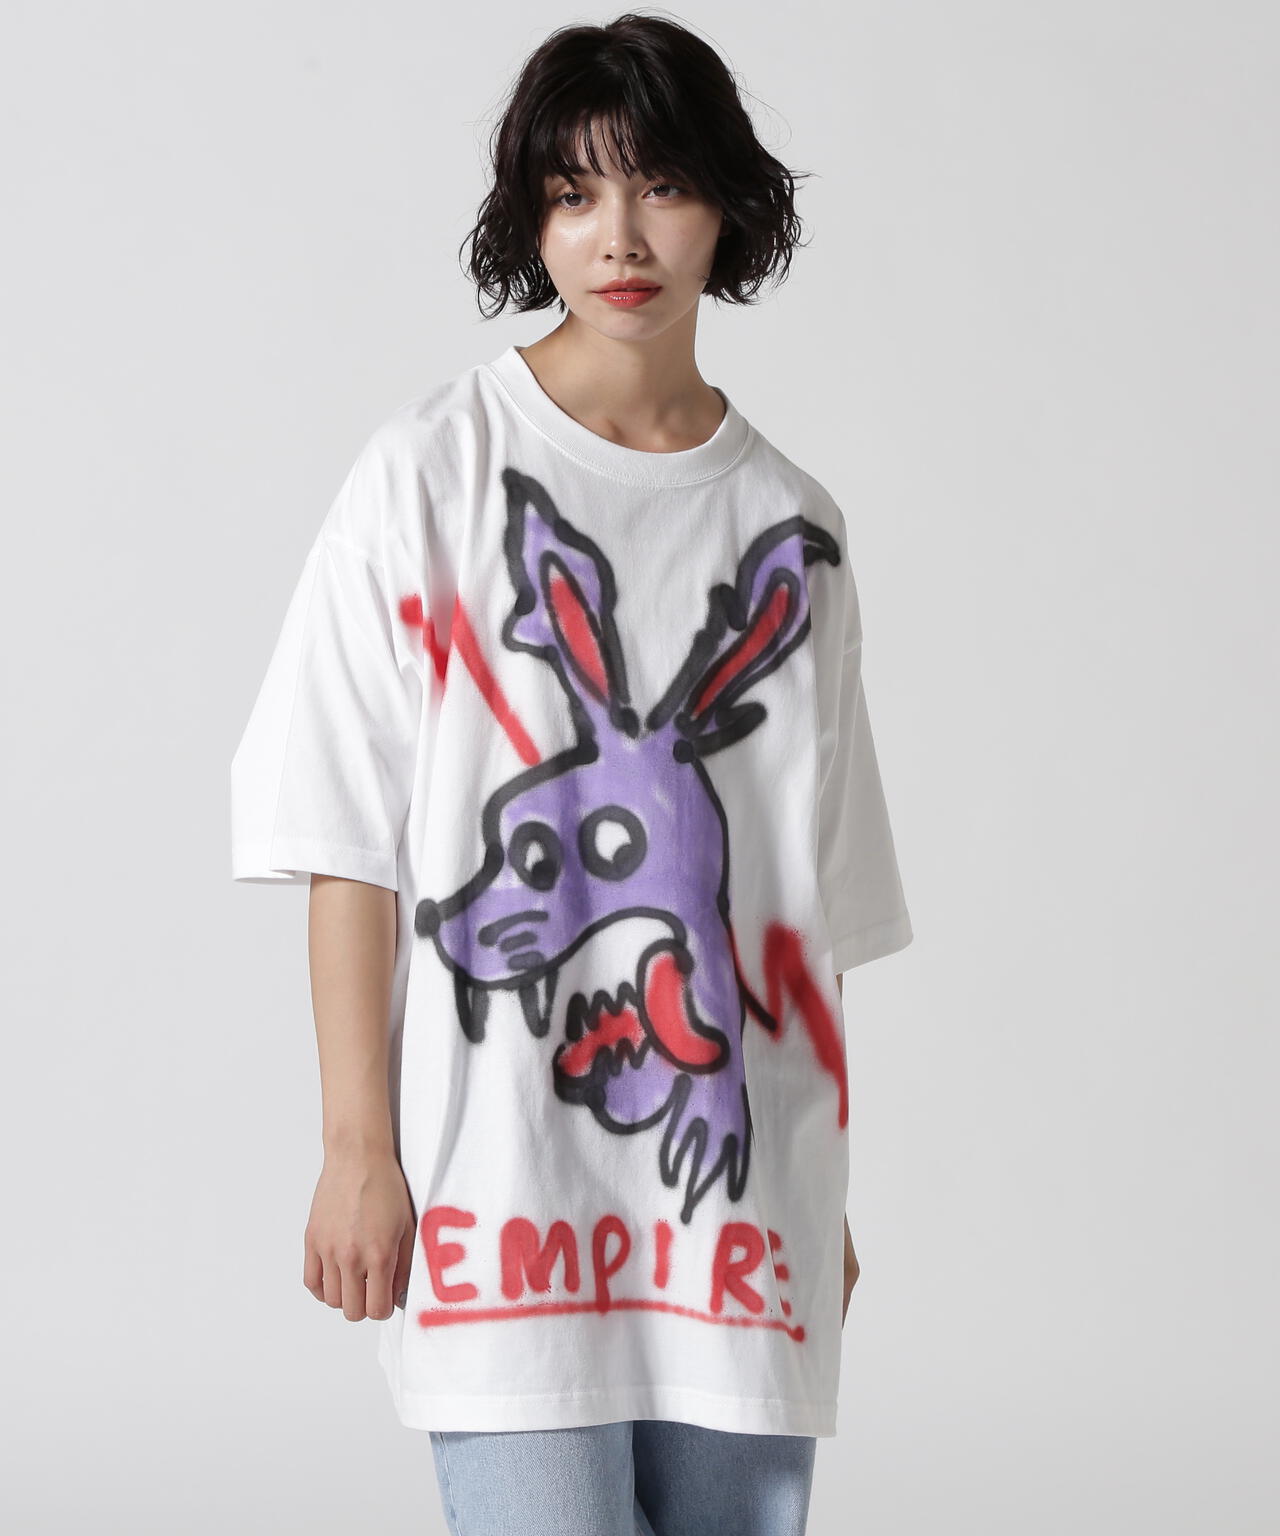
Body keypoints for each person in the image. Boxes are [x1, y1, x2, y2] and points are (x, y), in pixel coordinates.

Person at [230, 13, 913, 1534]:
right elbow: (350, 840)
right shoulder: (431, 473)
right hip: (501, 1204)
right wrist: (356, 1150)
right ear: (530, 219)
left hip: (738, 1222)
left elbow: (804, 904)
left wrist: (823, 1192)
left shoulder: (796, 528)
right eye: (574, 192)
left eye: (662, 184)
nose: (621, 238)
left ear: (727, 204)